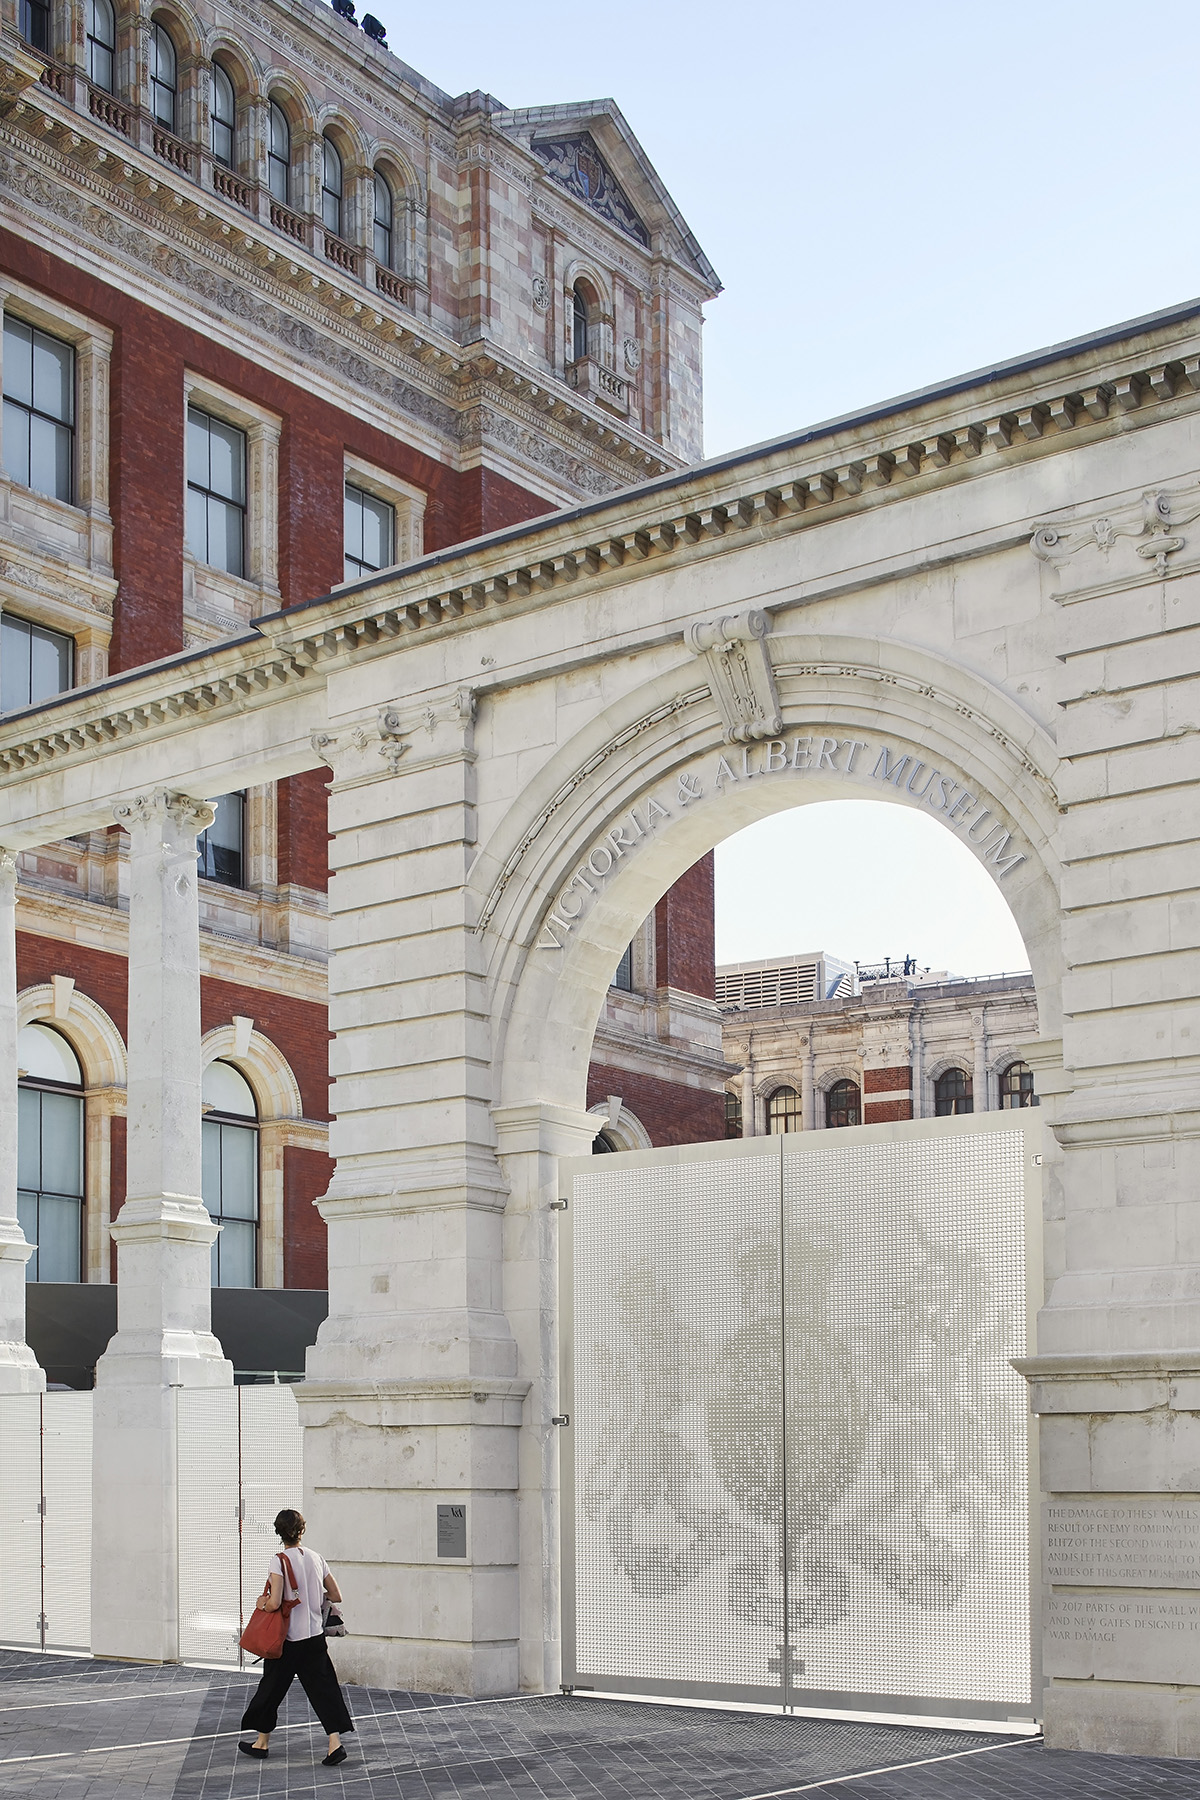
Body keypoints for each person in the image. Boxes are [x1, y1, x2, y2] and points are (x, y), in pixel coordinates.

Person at [238, 1508, 354, 1767]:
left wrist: (261, 1602)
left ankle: (262, 1743)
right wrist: (314, 1597)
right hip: (314, 1638)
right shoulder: (316, 1557)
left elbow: (275, 1603)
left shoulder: (278, 1561)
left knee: (271, 1689)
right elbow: (336, 1595)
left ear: (279, 1533)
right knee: (324, 1690)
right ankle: (334, 1744)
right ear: (302, 1530)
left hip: (287, 1640)